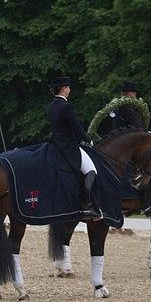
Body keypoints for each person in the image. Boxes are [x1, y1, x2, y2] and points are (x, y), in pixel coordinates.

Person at [47, 76, 101, 218]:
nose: (70, 90)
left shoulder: (51, 106)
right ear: (64, 88)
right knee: (91, 170)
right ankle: (88, 206)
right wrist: (88, 140)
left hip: (55, 145)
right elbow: (76, 128)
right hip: (68, 147)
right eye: (68, 87)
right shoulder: (66, 106)